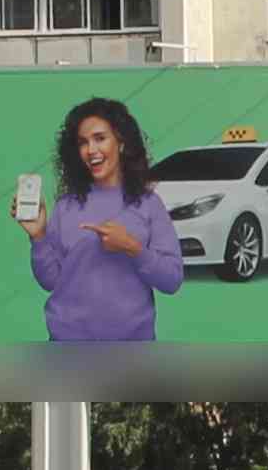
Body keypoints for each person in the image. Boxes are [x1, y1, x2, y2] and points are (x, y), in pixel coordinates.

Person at [22, 94, 183, 350]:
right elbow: (50, 281)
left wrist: (132, 247)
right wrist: (38, 236)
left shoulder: (149, 204)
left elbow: (172, 280)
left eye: (100, 138)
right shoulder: (66, 206)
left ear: (121, 143)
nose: (91, 150)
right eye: (83, 142)